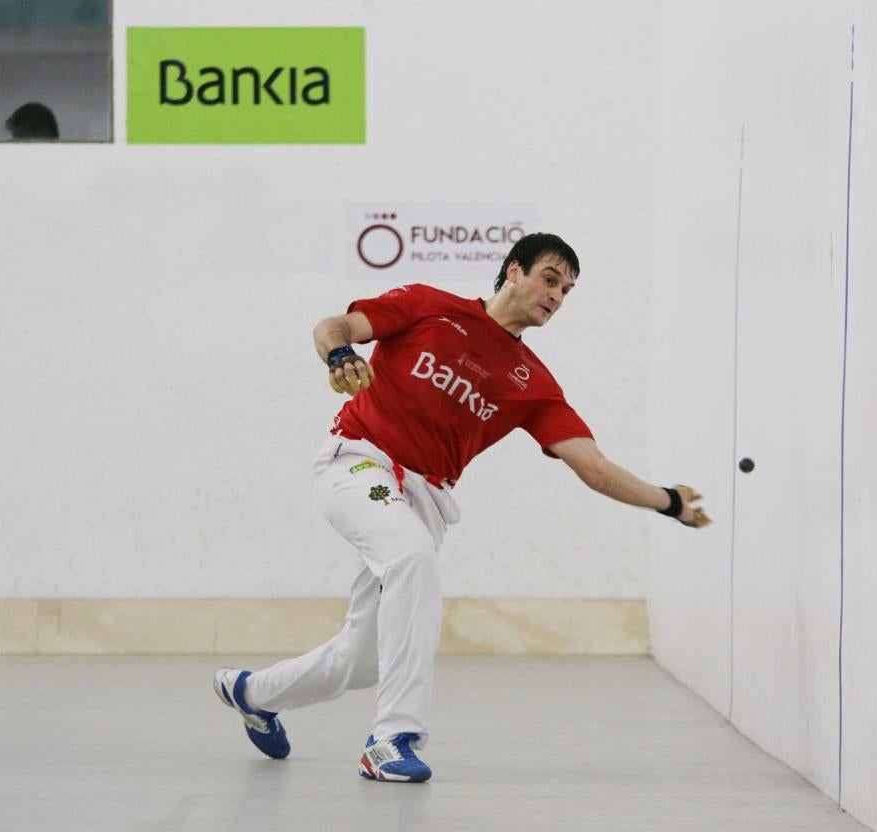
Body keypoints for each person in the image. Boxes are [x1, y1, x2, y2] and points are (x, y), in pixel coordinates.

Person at [212, 233, 710, 783]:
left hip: (424, 497)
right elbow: (334, 326)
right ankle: (391, 739)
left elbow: (594, 467)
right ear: (514, 271)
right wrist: (340, 354)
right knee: (412, 556)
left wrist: (670, 502)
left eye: (567, 291)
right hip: (357, 463)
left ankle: (252, 693)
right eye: (550, 279)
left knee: (363, 657)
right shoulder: (429, 306)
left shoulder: (533, 384)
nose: (556, 296)